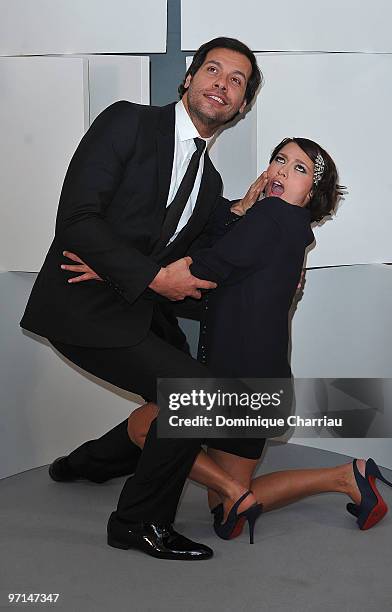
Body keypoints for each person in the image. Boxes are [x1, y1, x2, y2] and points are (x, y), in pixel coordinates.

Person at [60, 137, 392, 542]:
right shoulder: (293, 234)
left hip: (232, 381)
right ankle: (347, 477)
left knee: (142, 427)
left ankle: (236, 491)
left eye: (299, 169)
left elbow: (202, 269)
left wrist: (117, 271)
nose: (281, 171)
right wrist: (239, 214)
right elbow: (224, 280)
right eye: (279, 160)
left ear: (312, 193)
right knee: (224, 514)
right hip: (263, 384)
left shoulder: (272, 218)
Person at [20, 37, 265, 561]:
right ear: (188, 80)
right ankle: (137, 523)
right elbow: (79, 221)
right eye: (212, 70)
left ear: (241, 107)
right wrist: (149, 277)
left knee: (191, 397)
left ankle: (86, 464)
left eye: (236, 80)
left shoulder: (209, 180)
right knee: (194, 395)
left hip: (136, 313)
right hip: (82, 307)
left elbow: (193, 262)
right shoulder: (127, 121)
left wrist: (261, 251)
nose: (221, 83)